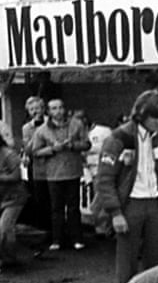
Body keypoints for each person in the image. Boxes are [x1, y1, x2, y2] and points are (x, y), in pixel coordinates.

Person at [95, 90, 158, 283]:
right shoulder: (118, 137)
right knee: (127, 261)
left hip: (156, 203)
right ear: (142, 115)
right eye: (157, 118)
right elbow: (104, 179)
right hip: (129, 204)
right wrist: (115, 212)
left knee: (157, 259)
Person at [30, 98, 90, 251]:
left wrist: (73, 145)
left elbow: (87, 144)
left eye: (60, 107)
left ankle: (76, 238)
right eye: (54, 108)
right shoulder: (42, 130)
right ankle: (57, 239)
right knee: (56, 208)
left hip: (73, 171)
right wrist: (52, 149)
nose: (58, 111)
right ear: (49, 112)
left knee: (73, 207)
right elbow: (35, 152)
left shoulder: (77, 124)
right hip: (53, 174)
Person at [20, 96, 50, 234]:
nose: (35, 111)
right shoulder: (27, 128)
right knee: (40, 197)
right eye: (31, 109)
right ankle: (44, 228)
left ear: (43, 109)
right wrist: (38, 132)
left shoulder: (52, 123)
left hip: (53, 165)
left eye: (37, 108)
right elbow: (28, 148)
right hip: (37, 167)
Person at [0, 131, 29, 271]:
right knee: (6, 229)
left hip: (14, 197)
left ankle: (8, 259)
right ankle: (7, 258)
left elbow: (16, 176)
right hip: (2, 196)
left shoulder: (8, 154)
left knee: (5, 228)